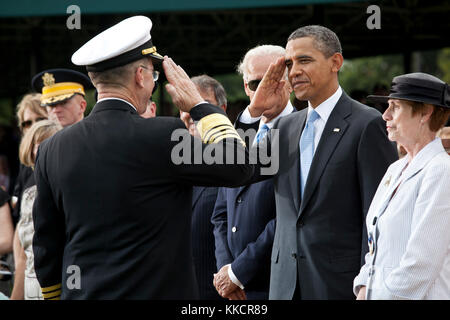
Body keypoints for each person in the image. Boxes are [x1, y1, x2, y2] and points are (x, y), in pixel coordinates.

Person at [32, 15, 252, 300]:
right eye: (153, 74)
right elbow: (238, 165)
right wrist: (199, 106)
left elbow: (47, 247)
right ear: (139, 76)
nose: (152, 82)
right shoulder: (163, 135)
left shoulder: (52, 149)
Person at [246, 25, 398, 299]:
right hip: (284, 286)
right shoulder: (285, 128)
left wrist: (368, 284)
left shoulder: (367, 124)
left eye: (304, 60)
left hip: (339, 286)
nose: (294, 72)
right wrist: (254, 112)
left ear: (335, 63)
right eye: (290, 64)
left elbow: (377, 217)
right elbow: (239, 169)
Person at [353, 73, 450, 300]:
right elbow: (374, 250)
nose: (385, 115)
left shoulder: (441, 170)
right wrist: (363, 288)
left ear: (426, 112)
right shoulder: (394, 169)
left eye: (395, 107)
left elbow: (421, 264)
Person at [212, 45, 293, 300]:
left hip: (277, 285)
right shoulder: (236, 138)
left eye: (274, 80)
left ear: (289, 81)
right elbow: (220, 215)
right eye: (256, 83)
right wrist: (226, 270)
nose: (264, 89)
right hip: (232, 290)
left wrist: (238, 271)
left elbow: (290, 215)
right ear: (245, 87)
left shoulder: (303, 132)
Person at [180, 74, 227, 300]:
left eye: (200, 104)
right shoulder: (171, 161)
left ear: (223, 110)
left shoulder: (237, 160)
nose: (192, 112)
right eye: (185, 103)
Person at [10, 120, 62, 300]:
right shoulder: (29, 195)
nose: (42, 151)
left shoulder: (63, 192)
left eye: (49, 144)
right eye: (38, 145)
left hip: (59, 283)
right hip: (31, 283)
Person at [11, 93, 47, 226]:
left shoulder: (60, 157)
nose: (33, 126)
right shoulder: (25, 164)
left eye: (40, 120)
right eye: (27, 123)